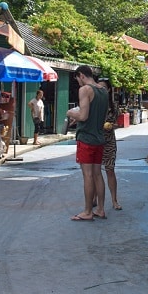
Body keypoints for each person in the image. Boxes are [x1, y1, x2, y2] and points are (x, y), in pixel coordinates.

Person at [65, 65, 108, 221]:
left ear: (81, 75)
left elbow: (83, 116)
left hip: (86, 139)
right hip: (99, 138)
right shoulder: (103, 91)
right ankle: (101, 209)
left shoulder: (85, 90)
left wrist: (70, 112)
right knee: (98, 174)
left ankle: (88, 211)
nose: (78, 83)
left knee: (88, 175)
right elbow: (98, 116)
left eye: (77, 79)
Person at [98, 78, 122, 211]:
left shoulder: (113, 106)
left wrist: (111, 126)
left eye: (103, 87)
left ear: (108, 90)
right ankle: (95, 199)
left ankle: (114, 200)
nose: (100, 89)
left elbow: (115, 124)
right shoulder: (92, 103)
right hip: (95, 141)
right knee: (95, 172)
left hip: (109, 142)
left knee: (110, 170)